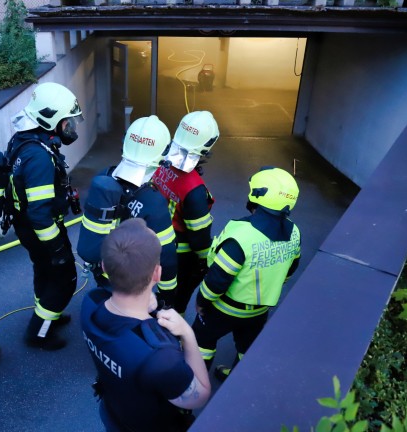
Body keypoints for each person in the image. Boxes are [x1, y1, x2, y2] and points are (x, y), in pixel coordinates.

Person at [80, 218, 211, 432]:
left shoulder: (91, 303)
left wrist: (146, 306)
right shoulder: (161, 357)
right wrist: (188, 333)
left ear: (104, 266)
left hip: (113, 414)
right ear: (157, 274)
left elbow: (119, 315)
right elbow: (200, 396)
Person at [191, 167, 301, 381]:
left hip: (224, 308)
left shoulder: (241, 235)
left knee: (201, 342)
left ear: (257, 196)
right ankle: (236, 383)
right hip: (259, 311)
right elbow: (291, 268)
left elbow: (217, 279)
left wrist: (202, 301)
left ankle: (193, 387)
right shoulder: (295, 231)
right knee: (247, 349)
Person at [7, 82, 84, 350]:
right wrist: (58, 248)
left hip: (26, 227)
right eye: (67, 122)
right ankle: (39, 332)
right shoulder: (38, 157)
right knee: (64, 279)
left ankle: (48, 313)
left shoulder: (24, 139)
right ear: (50, 120)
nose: (70, 128)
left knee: (43, 270)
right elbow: (40, 215)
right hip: (42, 229)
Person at [78, 115, 178, 307]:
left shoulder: (105, 176)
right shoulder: (154, 202)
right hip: (130, 279)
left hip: (102, 268)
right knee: (125, 319)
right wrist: (168, 292)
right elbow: (166, 255)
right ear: (162, 156)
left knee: (108, 308)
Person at [151, 111, 220, 315]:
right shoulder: (194, 189)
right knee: (178, 297)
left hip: (154, 238)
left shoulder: (161, 161)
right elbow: (199, 238)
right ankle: (171, 334)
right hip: (180, 253)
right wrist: (203, 261)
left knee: (159, 289)